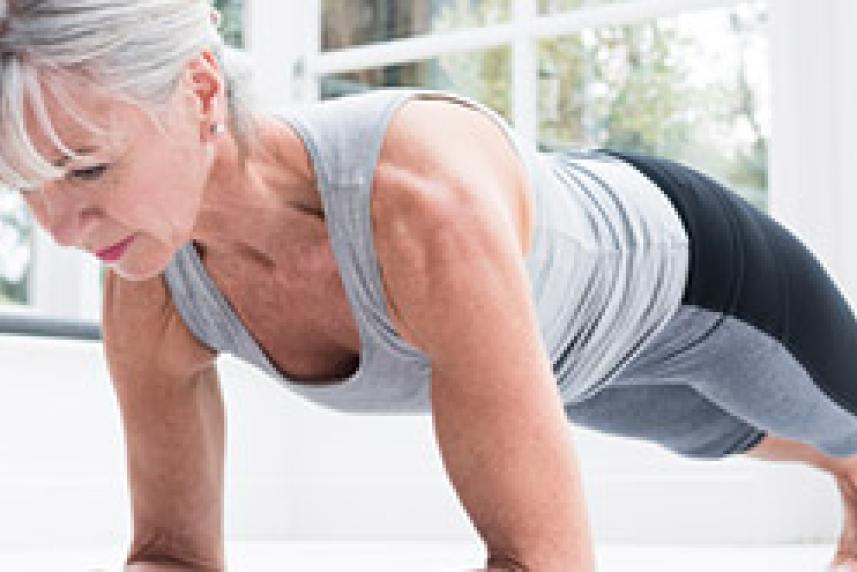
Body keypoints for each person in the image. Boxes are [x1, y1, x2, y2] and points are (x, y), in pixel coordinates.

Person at [2, 1, 857, 571]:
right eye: (26, 187)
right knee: (721, 436)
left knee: (836, 423)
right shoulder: (145, 272)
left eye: (88, 168)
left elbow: (542, 558)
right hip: (572, 359)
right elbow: (172, 555)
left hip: (691, 275)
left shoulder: (419, 209)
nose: (63, 230)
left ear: (199, 89)